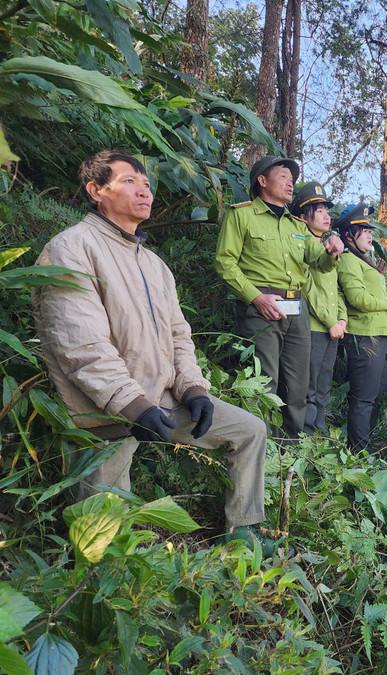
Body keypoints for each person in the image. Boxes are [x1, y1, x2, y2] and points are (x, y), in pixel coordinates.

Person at [32, 150, 277, 554]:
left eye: (146, 183)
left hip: (162, 400)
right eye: (130, 181)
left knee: (249, 430)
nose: (144, 190)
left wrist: (194, 389)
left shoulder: (155, 265)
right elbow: (80, 344)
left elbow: (179, 337)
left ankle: (242, 532)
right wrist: (131, 404)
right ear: (96, 190)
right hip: (103, 411)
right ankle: (97, 584)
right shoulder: (71, 249)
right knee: (104, 541)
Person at [214, 157, 344, 440]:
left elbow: (319, 262)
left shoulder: (296, 224)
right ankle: (264, 448)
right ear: (262, 181)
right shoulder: (242, 215)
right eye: (284, 176)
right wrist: (256, 298)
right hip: (262, 309)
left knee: (299, 385)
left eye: (291, 178)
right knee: (265, 383)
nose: (290, 183)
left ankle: (293, 449)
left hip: (298, 311)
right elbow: (225, 263)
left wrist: (332, 251)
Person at [334, 205, 387, 450]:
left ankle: (364, 445)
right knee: (363, 398)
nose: (369, 235)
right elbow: (357, 298)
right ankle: (359, 451)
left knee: (378, 390)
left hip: (377, 335)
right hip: (364, 336)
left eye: (368, 229)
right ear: (348, 235)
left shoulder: (362, 260)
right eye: (362, 230)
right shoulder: (349, 260)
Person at [289, 182, 347, 435]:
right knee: (309, 387)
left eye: (327, 210)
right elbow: (308, 291)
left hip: (332, 329)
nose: (326, 215)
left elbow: (336, 291)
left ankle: (318, 440)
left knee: (323, 386)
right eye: (318, 210)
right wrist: (330, 322)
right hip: (313, 328)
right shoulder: (303, 246)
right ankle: (304, 438)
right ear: (303, 217)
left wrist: (342, 320)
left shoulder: (327, 248)